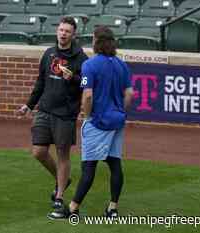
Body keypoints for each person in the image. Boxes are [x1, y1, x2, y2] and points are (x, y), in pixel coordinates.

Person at [48, 26, 133, 219]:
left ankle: (72, 208)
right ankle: (112, 208)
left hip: (98, 121)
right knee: (114, 164)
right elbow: (129, 94)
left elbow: (87, 95)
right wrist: (121, 112)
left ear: (97, 42)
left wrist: (87, 116)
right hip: (117, 121)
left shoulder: (90, 65)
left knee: (89, 166)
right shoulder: (122, 65)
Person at [17, 17, 88, 215]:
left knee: (63, 154)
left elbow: (87, 83)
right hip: (44, 110)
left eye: (67, 31)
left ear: (73, 35)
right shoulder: (49, 54)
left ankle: (59, 197)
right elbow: (40, 82)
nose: (63, 33)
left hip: (65, 114)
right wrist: (29, 105)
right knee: (38, 152)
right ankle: (61, 179)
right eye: (61, 30)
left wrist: (72, 78)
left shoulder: (81, 58)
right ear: (57, 31)